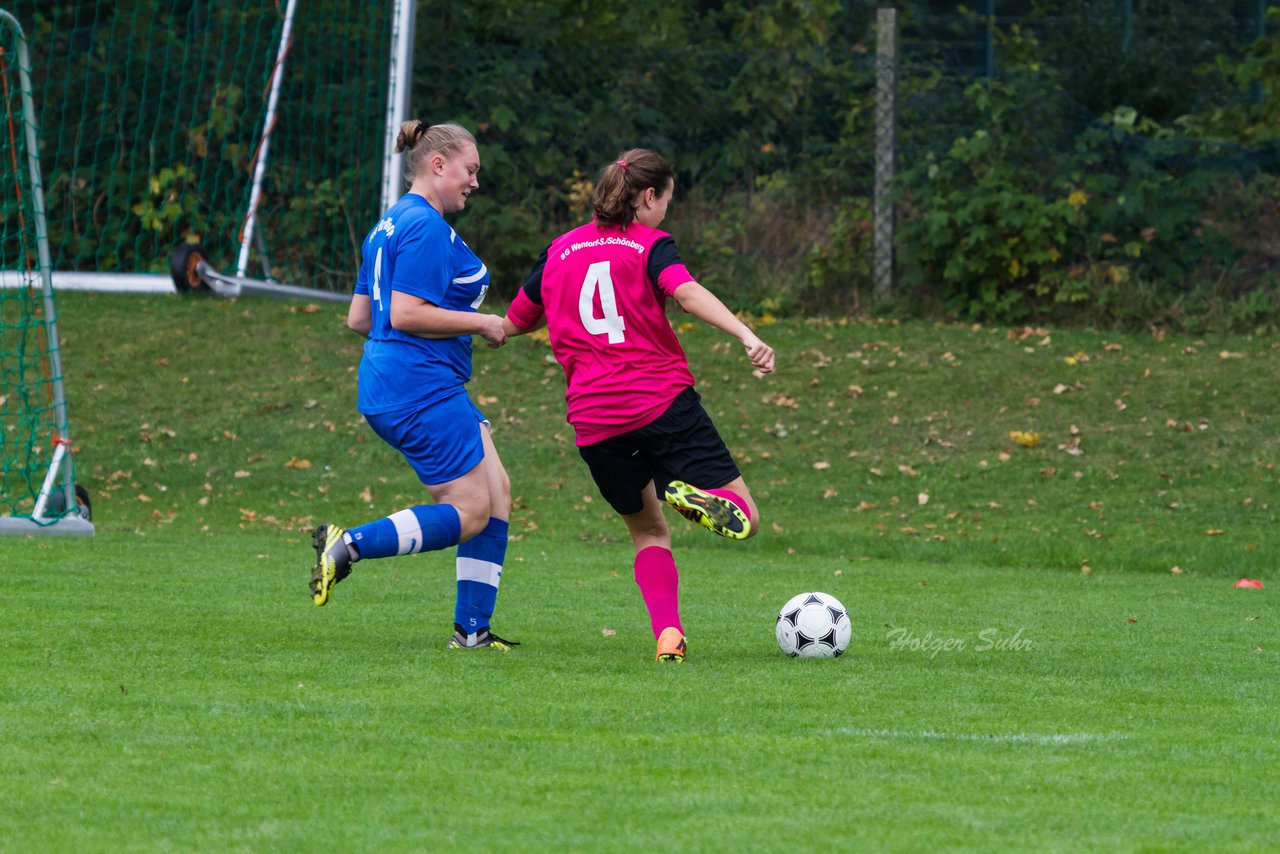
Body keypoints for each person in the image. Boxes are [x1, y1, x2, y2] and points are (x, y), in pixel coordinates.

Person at [502, 148, 774, 663]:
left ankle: (668, 636)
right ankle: (684, 490)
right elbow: (687, 293)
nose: (666, 212)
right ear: (648, 196)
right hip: (661, 403)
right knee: (748, 517)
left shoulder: (557, 250)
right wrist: (744, 334)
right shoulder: (649, 245)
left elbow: (515, 321)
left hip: (595, 424)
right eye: (666, 200)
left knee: (649, 532)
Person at [309, 120, 518, 652]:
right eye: (470, 170)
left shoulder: (388, 224)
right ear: (438, 164)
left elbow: (362, 317)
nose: (474, 181)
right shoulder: (424, 225)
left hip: (399, 380)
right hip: (419, 385)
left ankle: (472, 632)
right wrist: (482, 323)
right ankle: (349, 545)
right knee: (471, 511)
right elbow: (404, 313)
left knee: (497, 493)